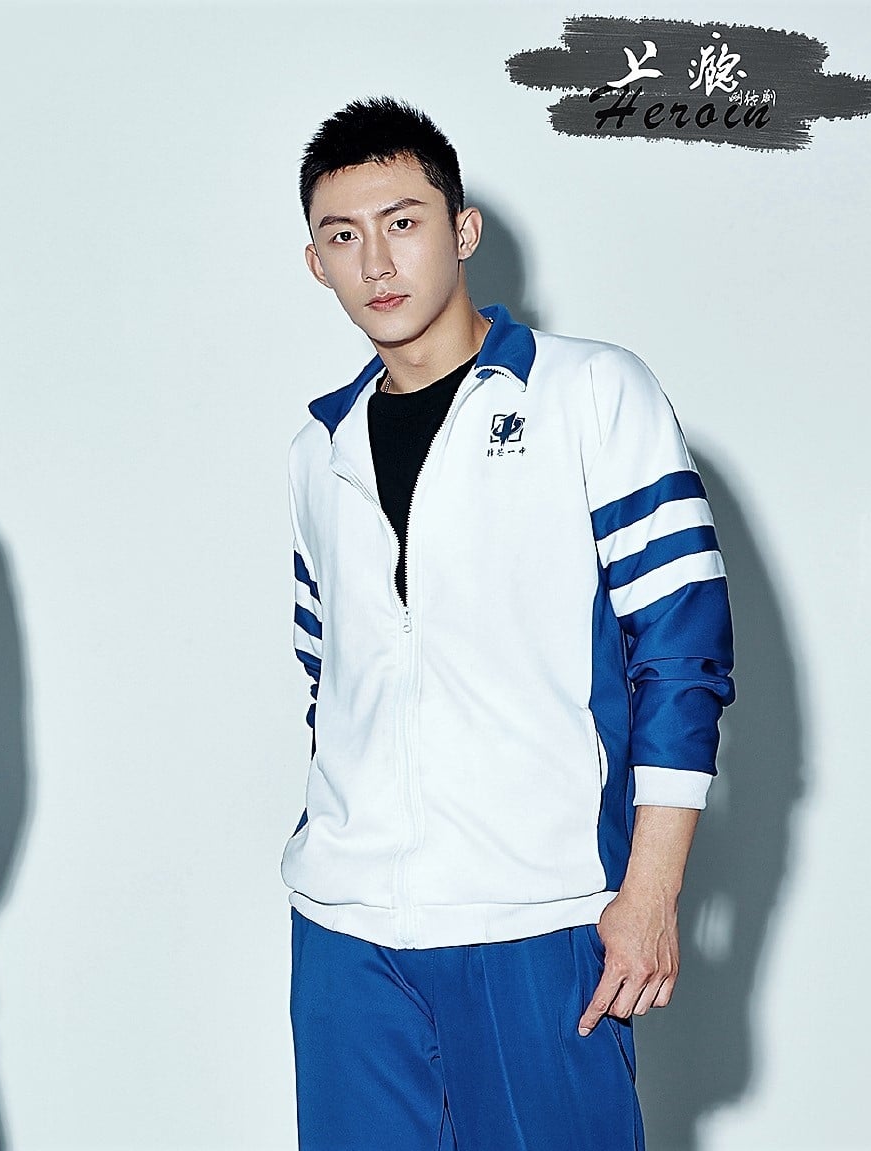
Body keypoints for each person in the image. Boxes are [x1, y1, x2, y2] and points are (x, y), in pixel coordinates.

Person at [284, 97, 736, 1149]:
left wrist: (649, 888)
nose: (375, 261)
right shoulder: (317, 449)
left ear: (462, 228)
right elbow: (328, 674)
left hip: (540, 911)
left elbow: (681, 653)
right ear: (315, 263)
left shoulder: (590, 392)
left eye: (402, 223)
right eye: (342, 237)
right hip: (344, 926)